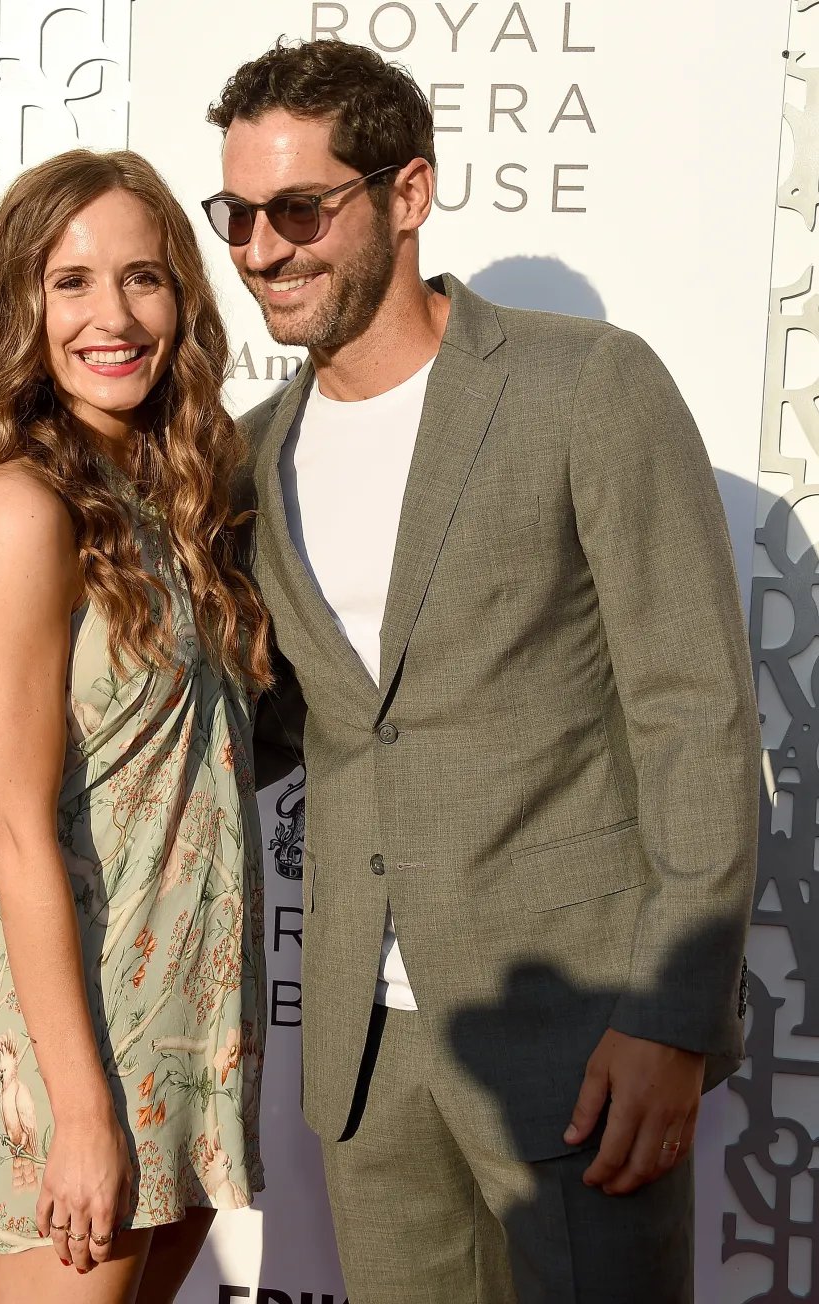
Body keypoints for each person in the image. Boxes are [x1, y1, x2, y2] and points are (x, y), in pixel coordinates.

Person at [202, 39, 760, 1304]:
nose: (261, 250)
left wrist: (671, 1017)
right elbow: (298, 726)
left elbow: (696, 716)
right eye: (235, 214)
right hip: (364, 1051)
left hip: (576, 1029)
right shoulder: (250, 458)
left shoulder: (585, 387)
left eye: (300, 209)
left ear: (406, 195)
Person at [0, 148, 271, 1304]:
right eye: (72, 282)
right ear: (21, 303)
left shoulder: (177, 492)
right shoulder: (16, 504)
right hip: (85, 1042)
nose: (114, 314)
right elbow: (14, 826)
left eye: (145, 278)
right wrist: (83, 1104)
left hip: (190, 1024)